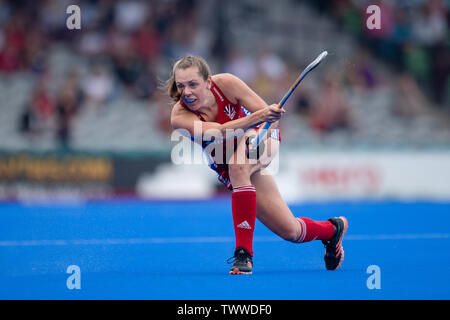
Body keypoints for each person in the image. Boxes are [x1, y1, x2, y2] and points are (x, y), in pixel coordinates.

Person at [168, 55, 348, 274]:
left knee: (238, 165)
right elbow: (216, 131)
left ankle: (243, 255)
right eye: (181, 86)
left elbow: (267, 118)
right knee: (291, 231)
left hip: (260, 137)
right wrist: (255, 118)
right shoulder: (179, 116)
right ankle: (332, 230)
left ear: (208, 82)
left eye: (193, 84)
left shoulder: (226, 83)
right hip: (229, 161)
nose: (186, 92)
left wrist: (263, 118)